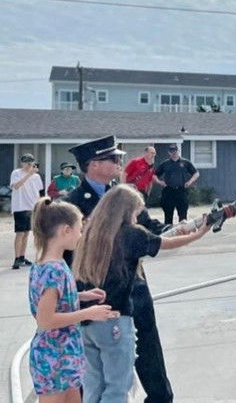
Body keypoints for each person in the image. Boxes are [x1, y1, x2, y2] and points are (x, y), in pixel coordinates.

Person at [63, 136, 187, 403]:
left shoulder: (123, 195)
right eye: (113, 158)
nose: (120, 162)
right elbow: (64, 253)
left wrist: (184, 228)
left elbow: (150, 228)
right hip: (96, 294)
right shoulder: (71, 203)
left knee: (149, 347)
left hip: (134, 287)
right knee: (98, 368)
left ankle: (160, 398)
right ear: (93, 164)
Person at [73, 184, 208, 403]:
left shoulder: (90, 232)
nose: (138, 216)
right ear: (126, 210)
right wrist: (199, 233)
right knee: (117, 387)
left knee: (94, 387)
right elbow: (167, 242)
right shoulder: (130, 233)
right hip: (115, 321)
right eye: (137, 211)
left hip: (88, 323)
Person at [28, 197, 119, 403]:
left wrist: (82, 296)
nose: (81, 236)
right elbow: (45, 320)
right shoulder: (53, 270)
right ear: (65, 231)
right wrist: (89, 313)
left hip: (66, 352)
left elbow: (54, 300)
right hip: (53, 356)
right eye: (79, 230)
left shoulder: (53, 264)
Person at [11, 153, 44, 269]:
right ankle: (16, 258)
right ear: (21, 163)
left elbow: (40, 192)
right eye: (25, 162)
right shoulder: (16, 173)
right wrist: (29, 174)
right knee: (19, 233)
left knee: (26, 233)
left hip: (32, 207)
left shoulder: (37, 176)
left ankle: (22, 257)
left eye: (30, 162)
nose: (27, 164)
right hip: (20, 206)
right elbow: (16, 186)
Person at [153, 144, 199, 226]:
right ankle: (168, 235)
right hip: (168, 191)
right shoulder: (165, 164)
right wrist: (160, 182)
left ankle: (183, 235)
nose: (173, 153)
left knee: (183, 216)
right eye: (171, 151)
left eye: (175, 151)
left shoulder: (185, 162)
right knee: (168, 216)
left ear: (178, 151)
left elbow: (196, 173)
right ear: (169, 152)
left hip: (181, 190)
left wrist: (190, 182)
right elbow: (154, 175)